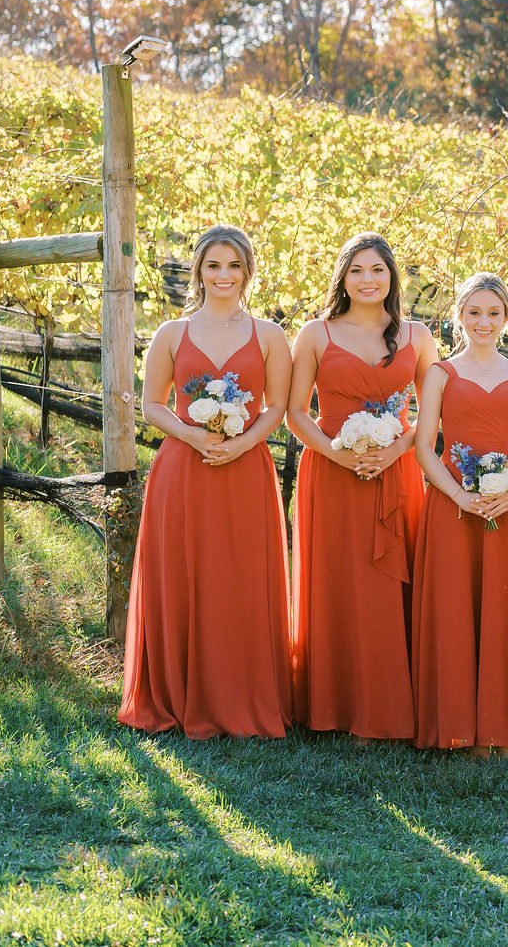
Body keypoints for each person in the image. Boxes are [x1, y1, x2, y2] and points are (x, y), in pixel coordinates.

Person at [118, 225, 294, 739]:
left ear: (248, 271)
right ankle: (175, 694)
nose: (224, 275)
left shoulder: (269, 335)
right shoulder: (172, 333)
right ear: (198, 270)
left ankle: (240, 695)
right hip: (183, 470)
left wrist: (244, 442)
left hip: (245, 469)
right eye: (214, 265)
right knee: (183, 574)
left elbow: (279, 407)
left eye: (234, 265)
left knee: (239, 578)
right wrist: (192, 435)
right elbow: (151, 404)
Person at [285, 232, 436, 740]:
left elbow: (433, 415)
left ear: (392, 276)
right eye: (356, 270)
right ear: (342, 278)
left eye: (377, 270)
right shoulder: (315, 333)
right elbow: (295, 414)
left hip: (396, 473)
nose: (367, 280)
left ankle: (392, 705)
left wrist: (394, 452)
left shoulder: (417, 336)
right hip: (332, 473)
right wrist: (339, 455)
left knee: (391, 585)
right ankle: (333, 704)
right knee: (338, 582)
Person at [411, 273, 508, 754]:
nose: (483, 322)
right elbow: (424, 449)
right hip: (453, 506)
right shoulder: (440, 374)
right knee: (456, 608)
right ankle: (459, 728)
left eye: (493, 313)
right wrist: (458, 496)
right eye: (474, 313)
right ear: (459, 317)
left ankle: (505, 728)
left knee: (505, 609)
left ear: (507, 318)